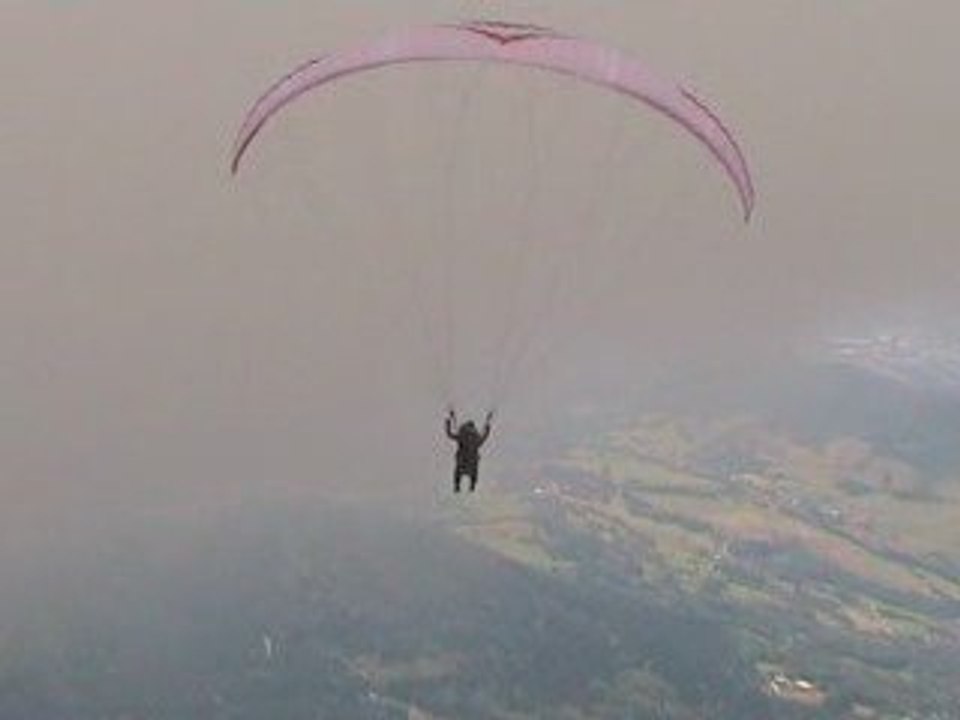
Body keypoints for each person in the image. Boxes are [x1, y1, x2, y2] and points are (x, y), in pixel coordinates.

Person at [445, 409, 493, 493]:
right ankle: (471, 487)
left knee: (458, 472)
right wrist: (488, 426)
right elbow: (485, 436)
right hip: (471, 463)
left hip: (463, 462)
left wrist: (448, 422)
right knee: (473, 473)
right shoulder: (476, 439)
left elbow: (449, 434)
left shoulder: (462, 436)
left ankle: (458, 486)